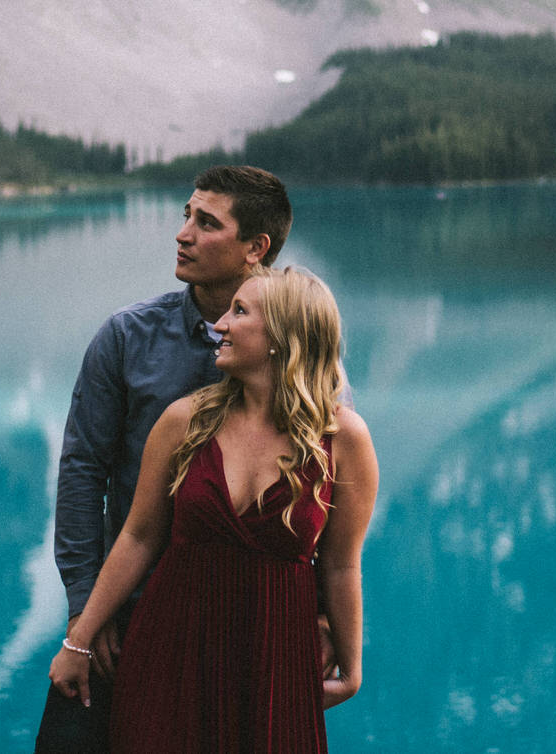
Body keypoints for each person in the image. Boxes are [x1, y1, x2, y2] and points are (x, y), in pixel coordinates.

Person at [48, 266, 378, 754]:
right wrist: (79, 639)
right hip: (171, 648)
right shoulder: (185, 421)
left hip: (275, 659)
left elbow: (341, 562)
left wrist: (352, 666)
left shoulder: (344, 440)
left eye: (239, 312)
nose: (220, 324)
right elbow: (138, 538)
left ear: (281, 337)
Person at [35, 166, 296, 754]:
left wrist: (324, 621)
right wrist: (85, 610)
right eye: (186, 216)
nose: (183, 234)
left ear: (257, 248)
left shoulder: (305, 361)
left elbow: (324, 491)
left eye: (206, 224)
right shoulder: (127, 337)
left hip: (247, 631)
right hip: (124, 616)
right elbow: (82, 473)